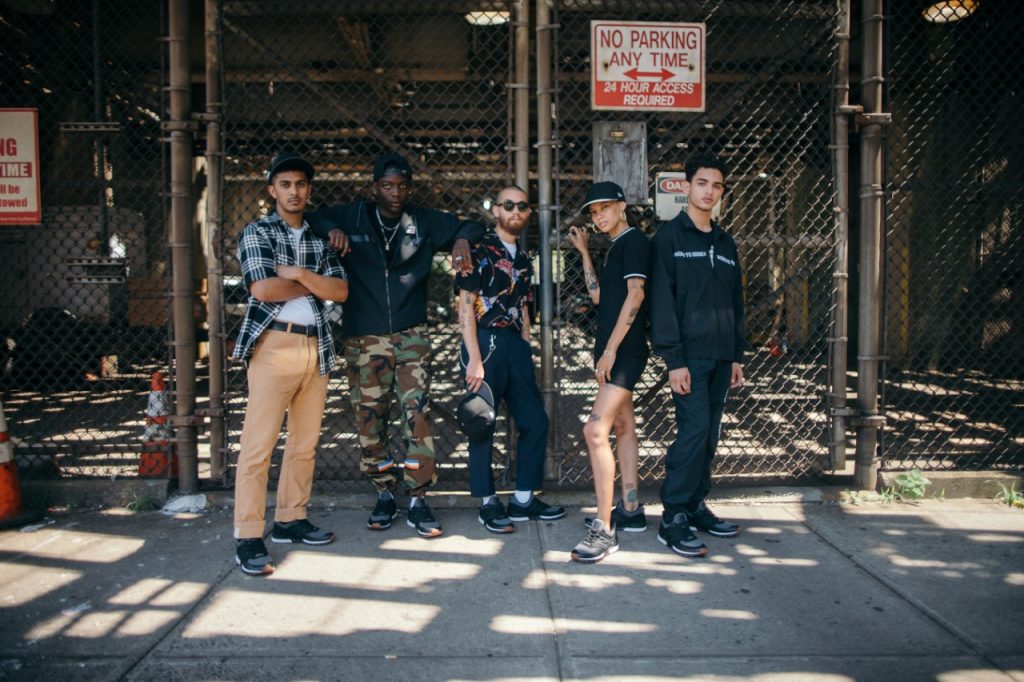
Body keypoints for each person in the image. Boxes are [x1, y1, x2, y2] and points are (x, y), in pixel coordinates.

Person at [307, 152, 483, 538]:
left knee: (417, 414)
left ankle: (418, 497)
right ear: (375, 187)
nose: (395, 192)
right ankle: (384, 492)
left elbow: (473, 224)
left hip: (410, 335)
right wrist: (331, 230)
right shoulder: (352, 216)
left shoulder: (423, 220)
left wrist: (461, 241)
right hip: (363, 337)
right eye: (387, 185)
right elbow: (314, 217)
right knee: (370, 418)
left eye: (402, 186)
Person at [231, 152, 349, 576]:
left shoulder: (319, 239)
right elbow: (262, 289)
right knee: (258, 446)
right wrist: (314, 283)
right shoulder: (257, 232)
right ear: (273, 190)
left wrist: (297, 274)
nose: (294, 191)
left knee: (304, 443)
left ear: (308, 190)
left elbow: (340, 291)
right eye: (285, 185)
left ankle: (290, 519)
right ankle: (248, 534)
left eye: (300, 184)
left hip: (316, 347)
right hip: (274, 345)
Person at [649, 152, 746, 558]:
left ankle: (694, 505)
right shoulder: (669, 238)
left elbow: (735, 302)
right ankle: (673, 515)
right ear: (687, 186)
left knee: (709, 435)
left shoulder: (725, 243)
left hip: (722, 356)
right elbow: (661, 302)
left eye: (716, 185)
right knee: (693, 431)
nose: (709, 191)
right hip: (689, 357)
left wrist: (736, 355)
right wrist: (674, 360)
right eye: (702, 183)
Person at [456, 185, 566, 533]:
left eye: (522, 206)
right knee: (481, 422)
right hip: (484, 342)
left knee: (535, 421)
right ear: (496, 211)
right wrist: (474, 358)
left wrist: (526, 341)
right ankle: (488, 503)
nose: (515, 211)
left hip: (514, 345)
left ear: (528, 212)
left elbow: (523, 304)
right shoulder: (477, 250)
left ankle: (522, 500)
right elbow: (465, 306)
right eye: (508, 205)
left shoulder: (524, 258)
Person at [566, 181, 650, 563]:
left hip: (624, 352)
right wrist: (585, 252)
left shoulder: (634, 242)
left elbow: (636, 294)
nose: (598, 216)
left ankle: (604, 529)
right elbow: (599, 296)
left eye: (604, 208)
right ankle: (630, 509)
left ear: (622, 206)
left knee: (594, 431)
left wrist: (612, 350)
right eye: (593, 212)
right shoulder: (616, 246)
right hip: (614, 351)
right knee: (623, 427)